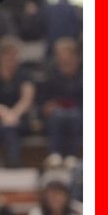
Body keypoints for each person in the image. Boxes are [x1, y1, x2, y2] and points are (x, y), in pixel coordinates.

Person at [0, 36, 37, 167]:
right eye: (9, 55)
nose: (13, 59)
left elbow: (26, 100)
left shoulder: (25, 75)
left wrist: (13, 114)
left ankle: (13, 164)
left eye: (15, 55)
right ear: (0, 56)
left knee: (9, 128)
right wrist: (3, 112)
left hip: (19, 118)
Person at [40, 38, 83, 166]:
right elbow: (44, 98)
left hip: (79, 110)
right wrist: (46, 106)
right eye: (60, 55)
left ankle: (72, 156)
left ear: (75, 56)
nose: (63, 58)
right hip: (57, 111)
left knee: (74, 115)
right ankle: (55, 154)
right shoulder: (51, 73)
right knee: (58, 116)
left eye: (66, 54)